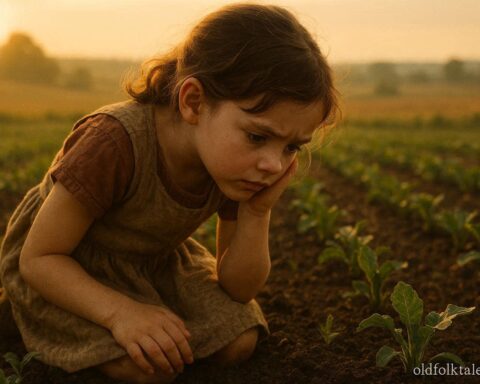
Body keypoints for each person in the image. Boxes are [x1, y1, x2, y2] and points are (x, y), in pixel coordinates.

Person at [0, 2, 339, 383]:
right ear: (193, 101)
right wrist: (121, 314)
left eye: (291, 147)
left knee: (239, 339)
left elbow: (239, 288)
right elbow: (39, 258)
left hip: (153, 262)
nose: (273, 165)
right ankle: (18, 314)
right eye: (258, 136)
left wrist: (257, 214)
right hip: (68, 265)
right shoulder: (113, 143)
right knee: (144, 367)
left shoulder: (232, 167)